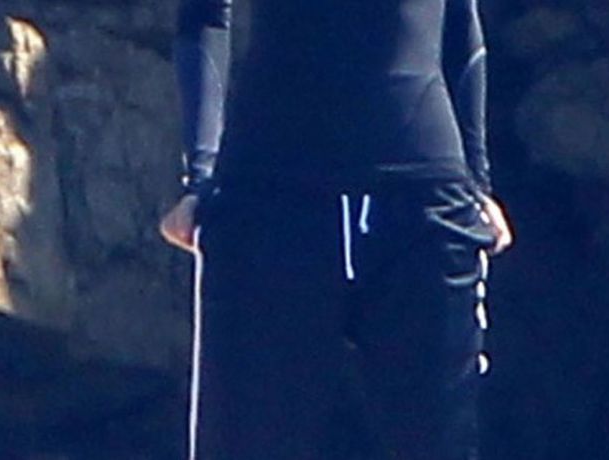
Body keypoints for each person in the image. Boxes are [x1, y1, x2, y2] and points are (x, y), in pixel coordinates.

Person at [159, 0, 513, 458]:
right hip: (269, 201)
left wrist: (477, 183)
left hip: (422, 204)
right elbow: (204, 17)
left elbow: (461, 24)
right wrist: (200, 176)